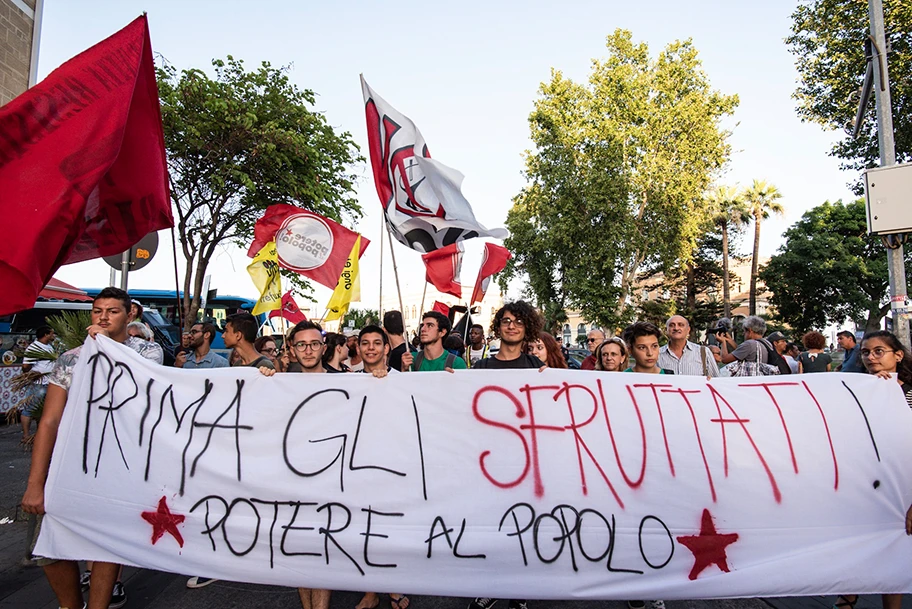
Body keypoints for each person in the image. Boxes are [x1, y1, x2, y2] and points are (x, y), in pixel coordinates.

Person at [21, 287, 162, 609]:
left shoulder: (146, 353)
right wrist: (34, 483)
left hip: (122, 464)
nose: (103, 316)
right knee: (50, 545)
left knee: (106, 542)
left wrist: (104, 350)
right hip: (72, 462)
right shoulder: (71, 359)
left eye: (112, 311)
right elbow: (50, 421)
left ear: (130, 315)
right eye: (97, 310)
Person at [468, 300, 544, 609]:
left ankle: (519, 591)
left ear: (527, 329)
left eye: (518, 322)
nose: (511, 326)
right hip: (491, 462)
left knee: (524, 527)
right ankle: (492, 585)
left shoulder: (537, 370)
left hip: (528, 463)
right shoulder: (482, 367)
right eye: (506, 320)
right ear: (498, 326)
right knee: (494, 527)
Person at [833, 330, 912, 609]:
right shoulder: (859, 389)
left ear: (898, 355)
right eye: (866, 352)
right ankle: (848, 596)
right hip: (865, 483)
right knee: (858, 543)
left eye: (879, 351)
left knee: (896, 549)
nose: (871, 357)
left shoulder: (910, 392)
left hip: (902, 486)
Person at [284, 320, 334, 609]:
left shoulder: (345, 382)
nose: (308, 350)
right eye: (301, 344)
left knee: (323, 548)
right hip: (292, 479)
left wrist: (377, 379)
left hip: (330, 480)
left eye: (314, 343)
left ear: (323, 348)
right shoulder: (280, 383)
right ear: (292, 349)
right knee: (300, 549)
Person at [717, 315, 790, 374]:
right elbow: (741, 352)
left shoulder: (749, 344)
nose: (743, 334)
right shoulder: (766, 343)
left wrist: (722, 342)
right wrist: (730, 341)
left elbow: (724, 359)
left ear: (750, 331)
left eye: (744, 331)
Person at [20, 325, 56, 441]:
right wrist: (33, 374)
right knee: (30, 409)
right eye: (51, 333)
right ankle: (26, 435)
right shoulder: (34, 348)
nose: (53, 336)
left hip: (49, 382)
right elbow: (25, 366)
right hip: (38, 383)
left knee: (42, 409)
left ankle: (39, 434)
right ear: (46, 335)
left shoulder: (49, 347)